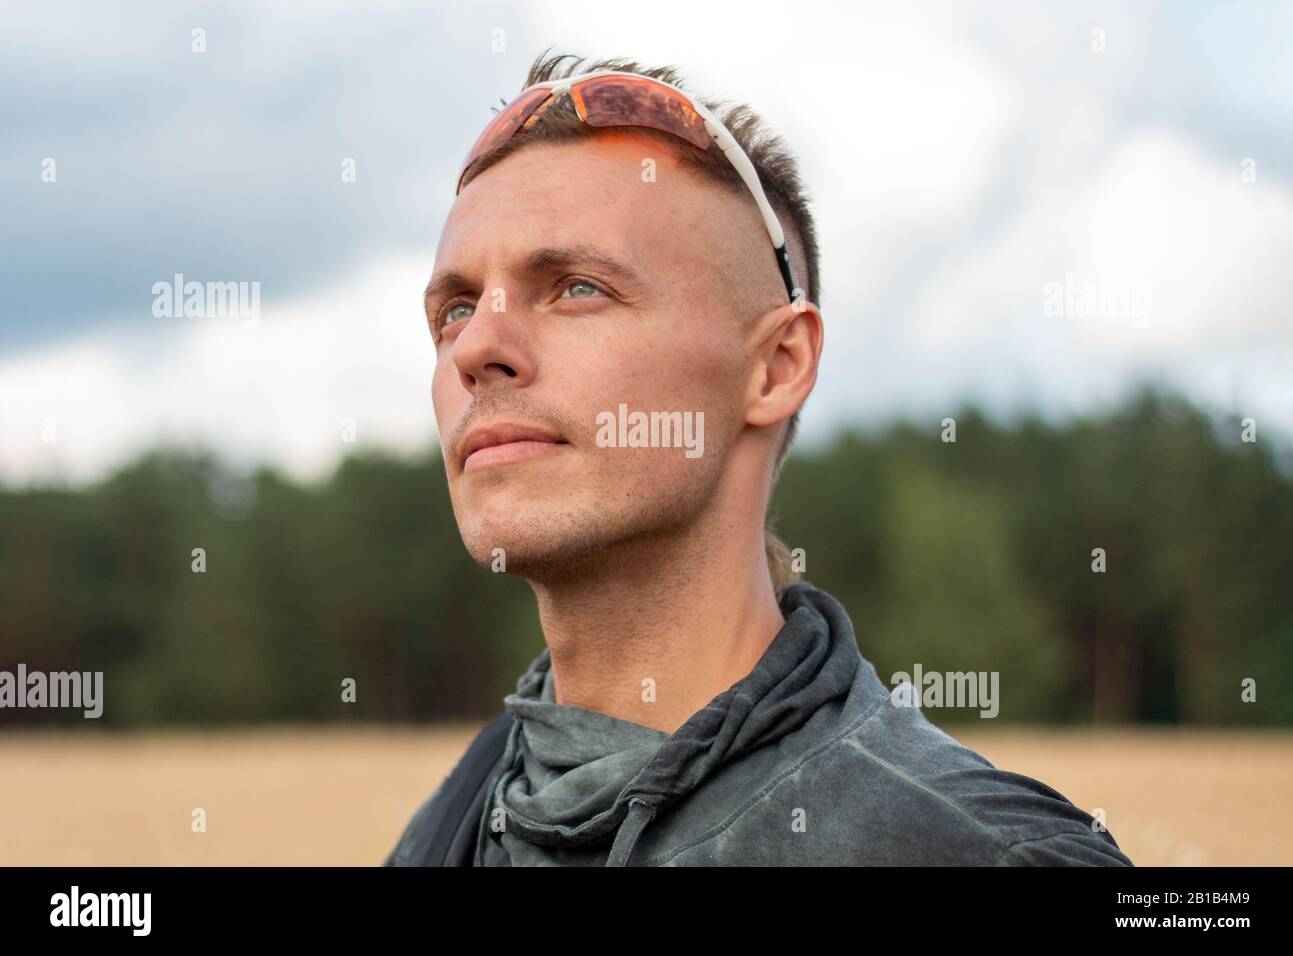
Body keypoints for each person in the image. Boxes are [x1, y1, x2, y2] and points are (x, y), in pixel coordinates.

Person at [385, 50, 1133, 867]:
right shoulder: (453, 819)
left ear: (777, 367)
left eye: (576, 287)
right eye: (455, 309)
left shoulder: (972, 851)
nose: (477, 348)